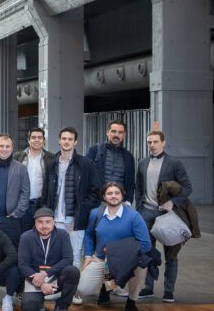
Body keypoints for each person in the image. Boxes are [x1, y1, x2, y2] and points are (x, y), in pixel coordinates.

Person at [136, 130, 195, 302]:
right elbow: (138, 187)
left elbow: (187, 187)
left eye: (155, 142)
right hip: (146, 212)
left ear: (163, 142)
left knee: (171, 253)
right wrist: (139, 208)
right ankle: (148, 287)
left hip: (167, 214)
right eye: (149, 142)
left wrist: (173, 202)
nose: (152, 145)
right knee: (147, 252)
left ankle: (169, 290)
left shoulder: (174, 163)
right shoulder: (142, 163)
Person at [81, 182, 152, 311]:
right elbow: (89, 235)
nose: (113, 196)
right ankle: (106, 287)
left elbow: (145, 244)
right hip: (102, 258)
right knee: (82, 289)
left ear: (122, 195)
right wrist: (88, 254)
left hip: (125, 259)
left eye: (117, 193)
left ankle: (131, 302)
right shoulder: (96, 214)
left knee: (141, 267)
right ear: (104, 196)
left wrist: (116, 250)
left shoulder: (134, 216)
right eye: (109, 193)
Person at [41, 127, 101, 279]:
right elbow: (46, 192)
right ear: (59, 140)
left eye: (70, 139)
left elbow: (96, 191)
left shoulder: (86, 164)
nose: (66, 142)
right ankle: (55, 287)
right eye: (64, 138)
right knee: (54, 254)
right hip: (54, 218)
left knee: (74, 256)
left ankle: (73, 290)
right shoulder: (51, 164)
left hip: (74, 219)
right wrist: (46, 214)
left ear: (75, 142)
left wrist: (83, 210)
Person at [18, 207, 79, 311]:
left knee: (73, 271)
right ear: (35, 223)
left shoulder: (63, 235)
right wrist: (41, 283)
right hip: (34, 278)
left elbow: (68, 259)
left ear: (53, 222)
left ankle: (62, 306)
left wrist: (46, 274)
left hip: (55, 276)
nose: (44, 226)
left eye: (48, 222)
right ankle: (39, 299)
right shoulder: (26, 237)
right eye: (40, 222)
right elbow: (23, 265)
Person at [13, 127, 55, 231]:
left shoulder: (51, 158)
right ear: (29, 140)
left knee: (42, 233)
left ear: (44, 140)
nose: (37, 140)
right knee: (23, 234)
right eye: (34, 137)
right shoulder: (18, 157)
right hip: (23, 203)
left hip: (42, 203)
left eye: (40, 137)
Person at [86, 120, 136, 204]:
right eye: (113, 131)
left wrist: (128, 202)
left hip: (120, 203)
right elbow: (85, 177)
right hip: (97, 203)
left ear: (124, 135)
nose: (116, 135)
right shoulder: (94, 151)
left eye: (120, 132)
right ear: (107, 132)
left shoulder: (128, 156)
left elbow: (131, 182)